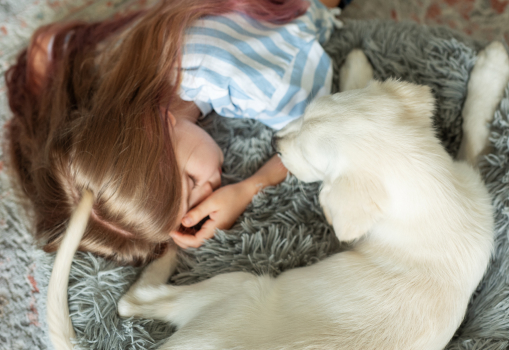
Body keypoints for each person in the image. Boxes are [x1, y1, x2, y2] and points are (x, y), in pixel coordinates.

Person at [4, 0, 343, 265]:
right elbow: (43, 48)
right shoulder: (125, 80)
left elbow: (324, 135)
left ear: (160, 125)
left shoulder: (262, 86)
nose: (209, 189)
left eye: (191, 181)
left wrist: (251, 187)